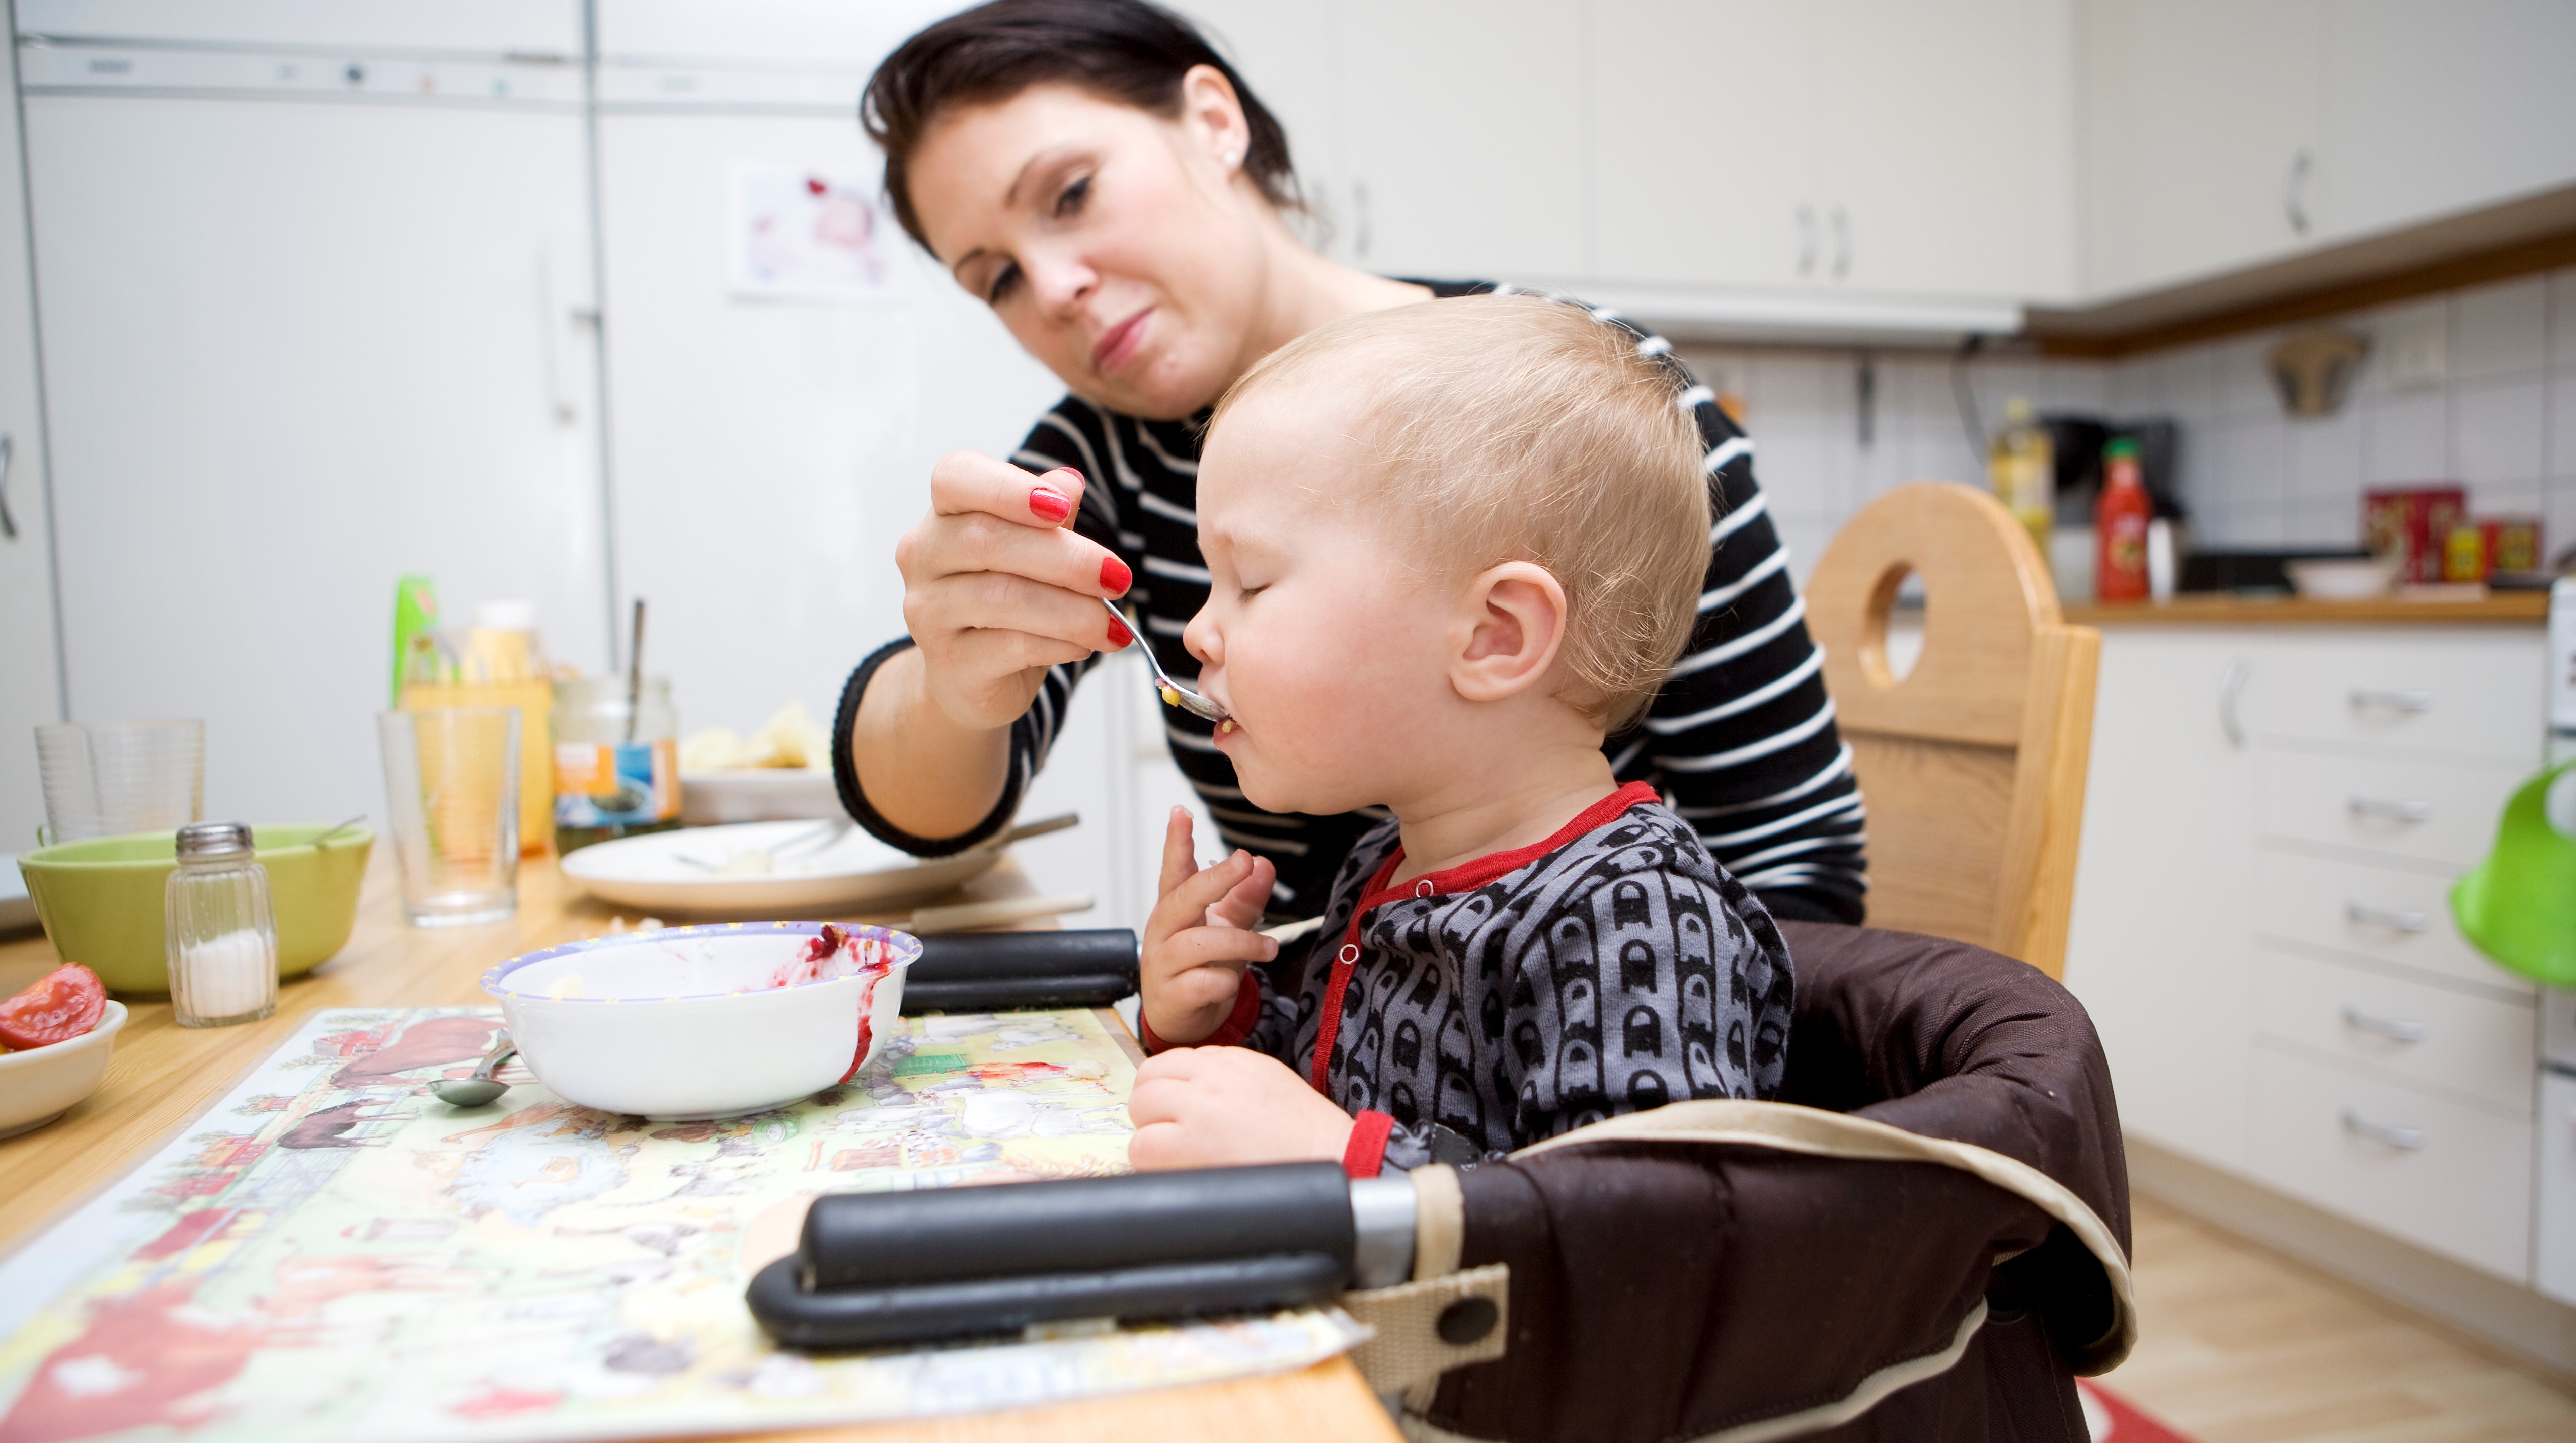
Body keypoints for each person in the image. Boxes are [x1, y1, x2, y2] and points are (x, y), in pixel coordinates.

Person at [835, 0, 1866, 928]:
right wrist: (954, 686)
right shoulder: (1099, 462)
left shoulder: (1583, 408)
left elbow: (1792, 848)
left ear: (1212, 122)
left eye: (1069, 194)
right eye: (999, 277)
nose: (1053, 287)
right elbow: (933, 809)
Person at [1122, 294, 1794, 1174]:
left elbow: (1634, 1228)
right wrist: (1223, 1018)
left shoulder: (1637, 917)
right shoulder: (1386, 863)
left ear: (1495, 637)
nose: (1200, 634)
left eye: (1249, 583)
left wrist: (1341, 1156)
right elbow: (1350, 1086)